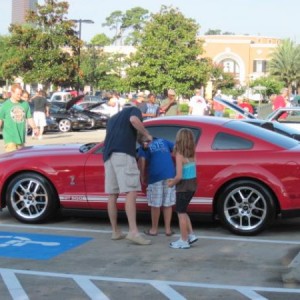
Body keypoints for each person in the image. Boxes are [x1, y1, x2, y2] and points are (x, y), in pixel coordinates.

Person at [103, 105, 153, 245]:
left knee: (113, 194)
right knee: (131, 192)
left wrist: (140, 139)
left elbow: (127, 134)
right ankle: (133, 232)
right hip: (123, 155)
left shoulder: (113, 119)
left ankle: (115, 231)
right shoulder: (134, 110)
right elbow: (134, 120)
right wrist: (147, 134)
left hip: (108, 156)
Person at [137, 134, 176, 236]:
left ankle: (154, 230)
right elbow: (176, 149)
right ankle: (168, 230)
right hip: (170, 175)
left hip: (155, 177)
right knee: (167, 204)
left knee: (155, 205)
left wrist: (142, 176)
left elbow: (142, 161)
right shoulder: (163, 140)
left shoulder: (144, 147)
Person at [168, 128, 198, 249]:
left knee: (180, 213)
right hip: (192, 185)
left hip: (183, 187)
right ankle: (191, 235)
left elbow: (179, 176)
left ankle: (183, 240)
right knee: (183, 211)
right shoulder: (193, 153)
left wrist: (171, 183)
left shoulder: (180, 154)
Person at [0, 83, 39, 152]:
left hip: (21, 137)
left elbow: (29, 117)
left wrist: (34, 128)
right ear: (12, 93)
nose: (19, 96)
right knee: (12, 159)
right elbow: (0, 120)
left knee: (20, 160)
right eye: (17, 94)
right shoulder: (5, 105)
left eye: (20, 94)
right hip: (10, 138)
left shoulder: (25, 104)